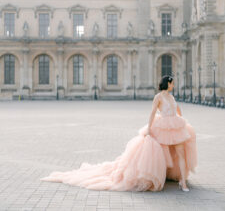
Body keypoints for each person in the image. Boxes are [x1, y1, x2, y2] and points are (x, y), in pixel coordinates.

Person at [40, 75, 197, 192]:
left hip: (175, 126)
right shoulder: (158, 97)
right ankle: (157, 176)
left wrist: (181, 120)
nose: (174, 85)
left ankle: (182, 182)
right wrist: (149, 128)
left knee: (181, 154)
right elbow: (152, 113)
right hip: (162, 126)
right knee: (159, 154)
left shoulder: (171, 96)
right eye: (172, 83)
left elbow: (177, 109)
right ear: (167, 83)